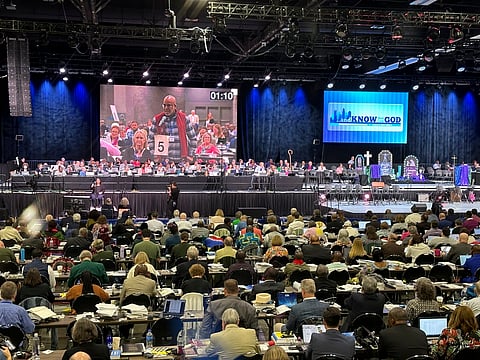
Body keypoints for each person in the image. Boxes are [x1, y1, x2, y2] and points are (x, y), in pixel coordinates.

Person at [153, 95, 197, 162]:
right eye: (164, 105)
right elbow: (150, 139)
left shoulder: (184, 118)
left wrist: (191, 154)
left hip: (181, 160)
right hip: (163, 160)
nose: (166, 108)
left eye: (169, 105)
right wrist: (155, 155)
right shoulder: (157, 119)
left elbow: (193, 138)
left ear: (175, 106)